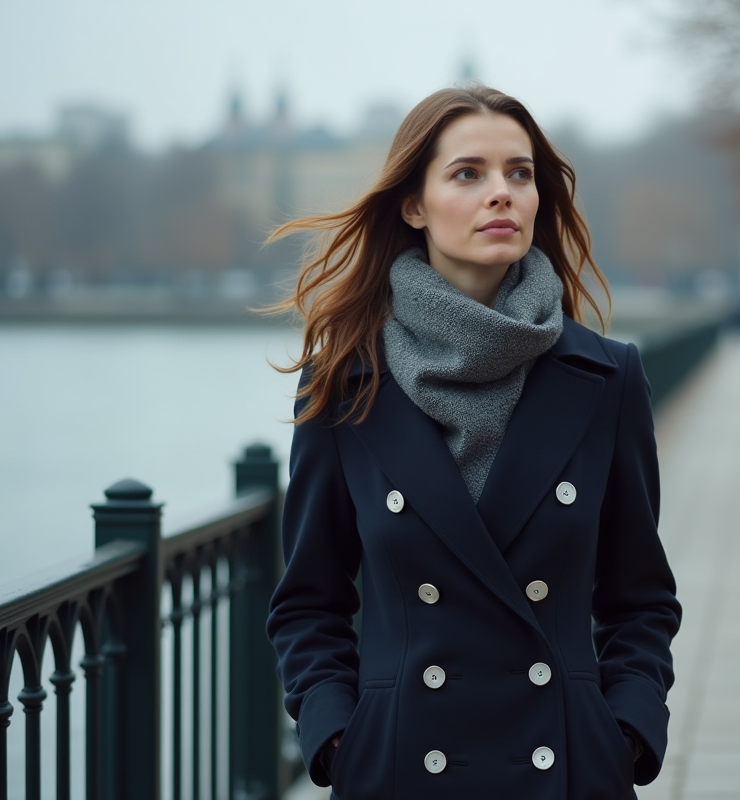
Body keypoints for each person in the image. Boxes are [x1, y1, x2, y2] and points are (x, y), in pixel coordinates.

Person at [264, 85, 682, 800]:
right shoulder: (343, 384)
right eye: (469, 173)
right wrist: (340, 740)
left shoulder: (607, 379)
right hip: (400, 771)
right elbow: (309, 602)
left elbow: (640, 598)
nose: (503, 194)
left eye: (520, 174)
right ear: (414, 204)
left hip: (569, 768)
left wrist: (626, 733)